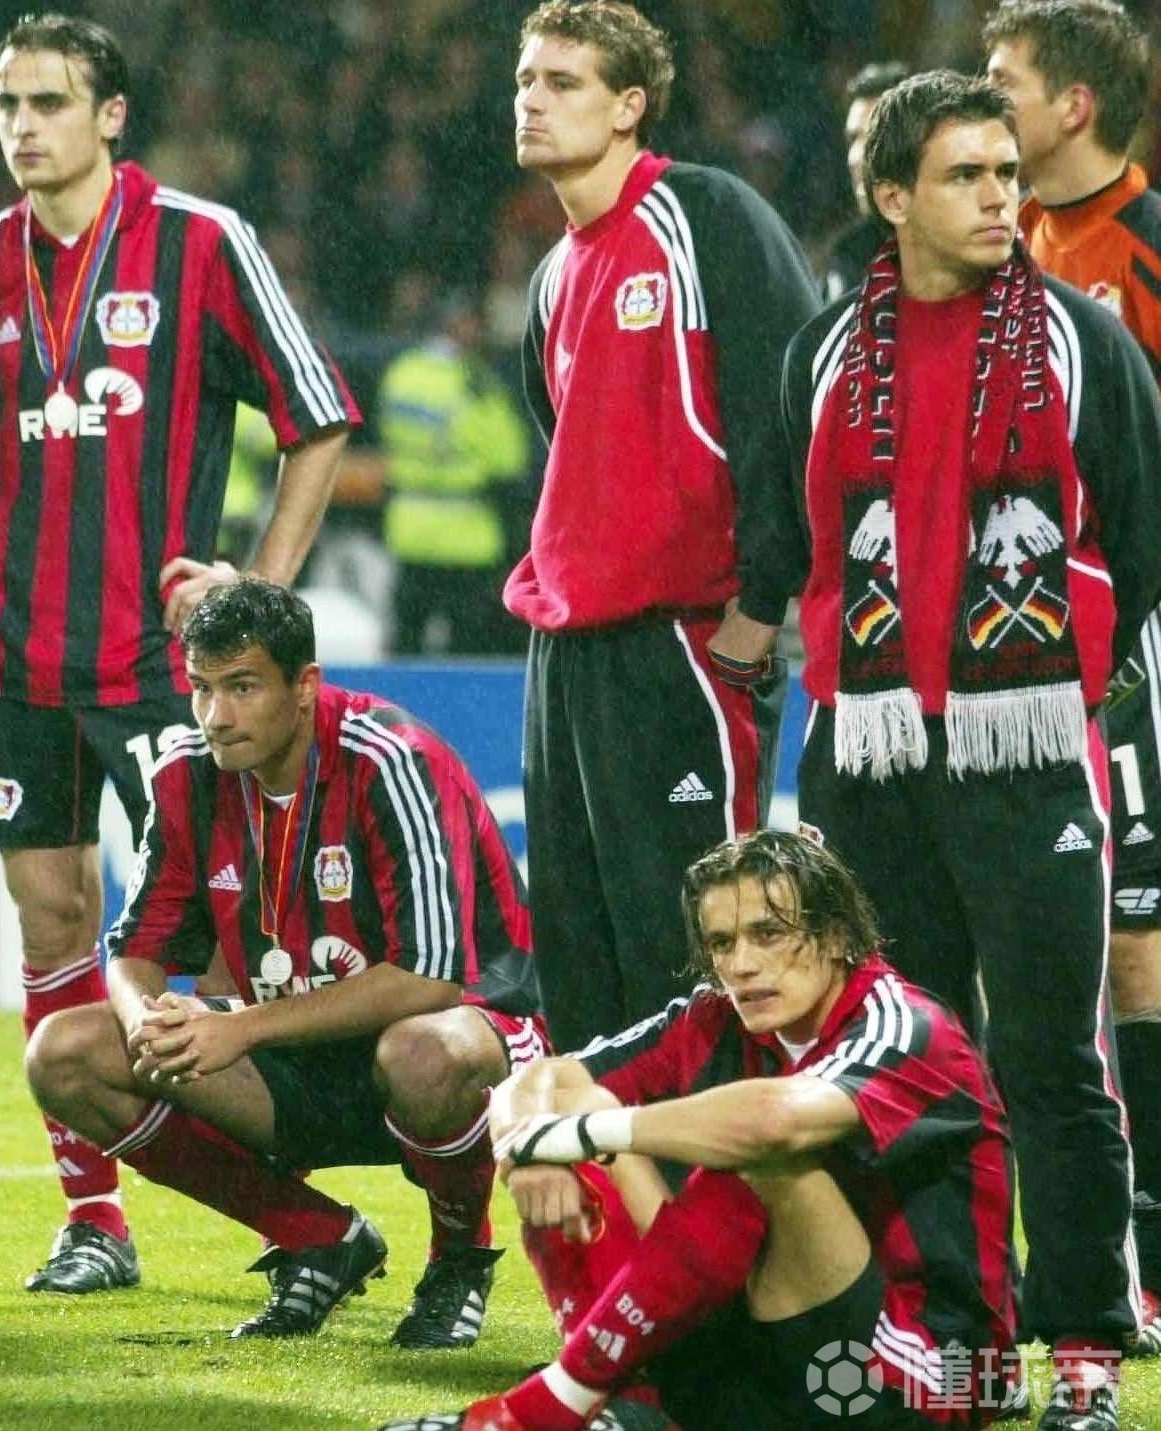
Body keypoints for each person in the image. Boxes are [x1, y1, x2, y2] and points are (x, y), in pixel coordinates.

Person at [0, 12, 357, 1294]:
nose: (23, 127)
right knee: (51, 921)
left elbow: (316, 420)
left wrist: (258, 590)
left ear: (111, 115)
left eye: (49, 103)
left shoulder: (202, 243)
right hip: (14, 658)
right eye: (7, 105)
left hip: (163, 665)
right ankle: (95, 1219)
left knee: (237, 937)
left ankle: (308, 1205)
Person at [765, 71, 1161, 1430]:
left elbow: (1143, 532)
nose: (1001, 199)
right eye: (966, 177)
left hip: (1028, 752)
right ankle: (955, 1335)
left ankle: (1087, 1343)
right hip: (870, 759)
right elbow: (787, 538)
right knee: (913, 1059)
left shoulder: (1082, 340)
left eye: (1007, 173)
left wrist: (1068, 677)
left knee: (1050, 1056)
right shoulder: (822, 351)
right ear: (892, 197)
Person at [26, 579, 545, 1346]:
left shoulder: (387, 758)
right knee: (65, 1053)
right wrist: (144, 1022)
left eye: (242, 687)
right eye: (201, 687)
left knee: (422, 1053)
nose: (215, 715)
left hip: (459, 1043)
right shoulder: (185, 772)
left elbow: (429, 977)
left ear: (303, 686)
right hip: (293, 1050)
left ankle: (458, 1257)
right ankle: (317, 1237)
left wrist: (241, 1028)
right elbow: (134, 950)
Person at [383, 831, 1018, 1431]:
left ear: (835, 936)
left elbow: (771, 1122)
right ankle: (630, 1400)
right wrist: (531, 1153)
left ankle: (558, 1399)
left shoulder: (904, 1025)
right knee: (574, 1103)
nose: (741, 964)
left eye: (768, 933)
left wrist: (579, 1134)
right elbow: (537, 1078)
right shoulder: (714, 1018)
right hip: (776, 1350)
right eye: (721, 943)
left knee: (759, 1152)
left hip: (921, 1372)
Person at [504, 1, 818, 1054]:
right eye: (525, 81)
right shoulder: (553, 272)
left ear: (628, 106)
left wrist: (758, 606)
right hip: (565, 651)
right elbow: (570, 449)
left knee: (695, 948)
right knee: (579, 954)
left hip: (683, 640)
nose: (532, 100)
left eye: (562, 83)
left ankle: (732, 1159)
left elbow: (791, 409)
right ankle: (611, 1165)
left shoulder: (704, 215)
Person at [985, 0, 1161, 1351]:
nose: (985, 99)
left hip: (1135, 635)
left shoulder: (1141, 251)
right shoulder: (1004, 247)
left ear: (1074, 107)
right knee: (1066, 944)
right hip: (1025, 643)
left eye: (1004, 83)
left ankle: (1145, 1240)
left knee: (1137, 936)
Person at [377, 289, 533, 656]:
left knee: (407, 644)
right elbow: (508, 459)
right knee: (466, 651)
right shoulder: (474, 381)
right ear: (459, 324)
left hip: (410, 528)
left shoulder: (401, 373)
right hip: (466, 537)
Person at [825, 62, 911, 301]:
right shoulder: (850, 254)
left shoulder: (961, 245)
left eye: (872, 137)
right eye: (853, 139)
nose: (856, 157)